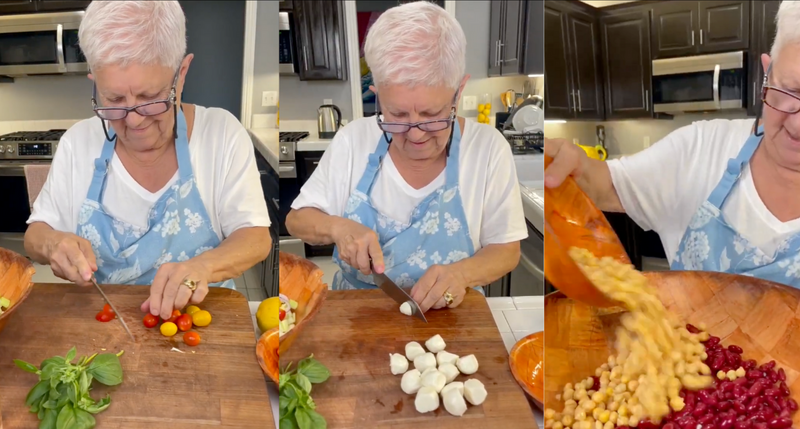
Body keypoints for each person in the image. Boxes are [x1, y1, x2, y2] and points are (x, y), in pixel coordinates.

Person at [23, 1, 272, 319]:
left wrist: (203, 266)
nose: (135, 120)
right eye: (114, 100)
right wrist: (52, 244)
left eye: (150, 99)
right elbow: (36, 233)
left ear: (181, 75)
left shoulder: (221, 134)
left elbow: (255, 237)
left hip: (200, 323)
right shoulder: (77, 143)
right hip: (104, 324)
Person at [286, 1, 527, 313]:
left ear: (459, 91)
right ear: (376, 92)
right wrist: (337, 227)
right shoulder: (353, 140)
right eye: (397, 114)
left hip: (452, 319)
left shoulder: (488, 149)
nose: (415, 134)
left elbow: (507, 249)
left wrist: (461, 274)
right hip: (354, 317)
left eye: (432, 115)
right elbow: (296, 219)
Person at [544, 1, 800, 287]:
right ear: (767, 72)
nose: (798, 124)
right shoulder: (699, 150)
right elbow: (607, 185)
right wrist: (568, 170)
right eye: (790, 90)